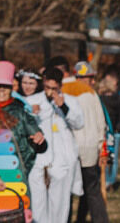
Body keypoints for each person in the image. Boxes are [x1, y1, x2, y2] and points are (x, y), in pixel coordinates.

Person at [45, 57, 109, 223]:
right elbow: (100, 120)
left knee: (65, 192)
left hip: (67, 151)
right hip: (89, 149)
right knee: (91, 191)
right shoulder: (89, 91)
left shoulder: (56, 91)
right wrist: (102, 146)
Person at [27, 67, 85, 223]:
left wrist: (63, 107)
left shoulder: (70, 101)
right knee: (37, 205)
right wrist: (31, 113)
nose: (49, 91)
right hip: (38, 160)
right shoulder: (32, 101)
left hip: (61, 161)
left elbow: (79, 123)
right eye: (47, 87)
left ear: (60, 86)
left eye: (54, 88)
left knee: (59, 205)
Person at [0, 61, 47, 190]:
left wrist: (39, 140)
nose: (2, 89)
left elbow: (40, 145)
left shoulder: (21, 112)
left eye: (6, 86)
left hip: (15, 180)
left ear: (12, 88)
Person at [98, 64, 120, 188]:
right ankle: (103, 178)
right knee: (103, 155)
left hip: (113, 132)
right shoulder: (99, 98)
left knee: (113, 156)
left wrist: (118, 127)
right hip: (102, 131)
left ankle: (110, 180)